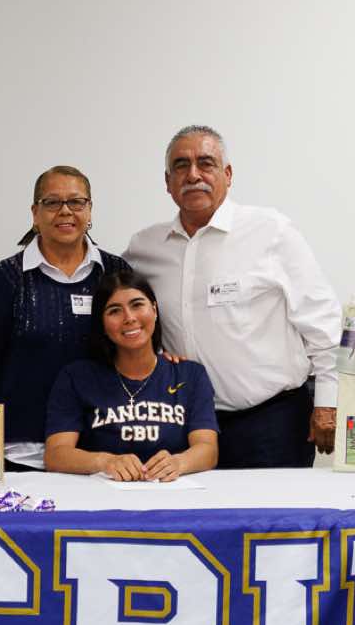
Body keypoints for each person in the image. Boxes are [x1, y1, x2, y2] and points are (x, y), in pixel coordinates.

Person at [124, 126, 340, 468]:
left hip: (271, 422)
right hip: (185, 426)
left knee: (276, 506)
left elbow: (321, 319)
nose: (193, 174)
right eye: (181, 165)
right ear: (168, 182)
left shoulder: (271, 231)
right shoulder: (145, 248)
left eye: (205, 163)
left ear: (227, 174)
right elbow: (124, 313)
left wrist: (328, 401)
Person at [0, 166, 132, 471]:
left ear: (89, 210)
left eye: (76, 202)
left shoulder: (115, 273)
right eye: (52, 202)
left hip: (102, 453)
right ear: (35, 213)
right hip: (22, 455)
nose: (65, 211)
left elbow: (138, 351)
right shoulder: (7, 279)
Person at [45, 269, 217, 483]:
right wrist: (104, 462)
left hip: (173, 492)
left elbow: (208, 449)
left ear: (154, 309)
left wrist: (179, 463)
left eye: (137, 305)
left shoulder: (190, 375)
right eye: (114, 311)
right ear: (102, 324)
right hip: (102, 494)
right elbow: (55, 455)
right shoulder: (76, 377)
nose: (129, 318)